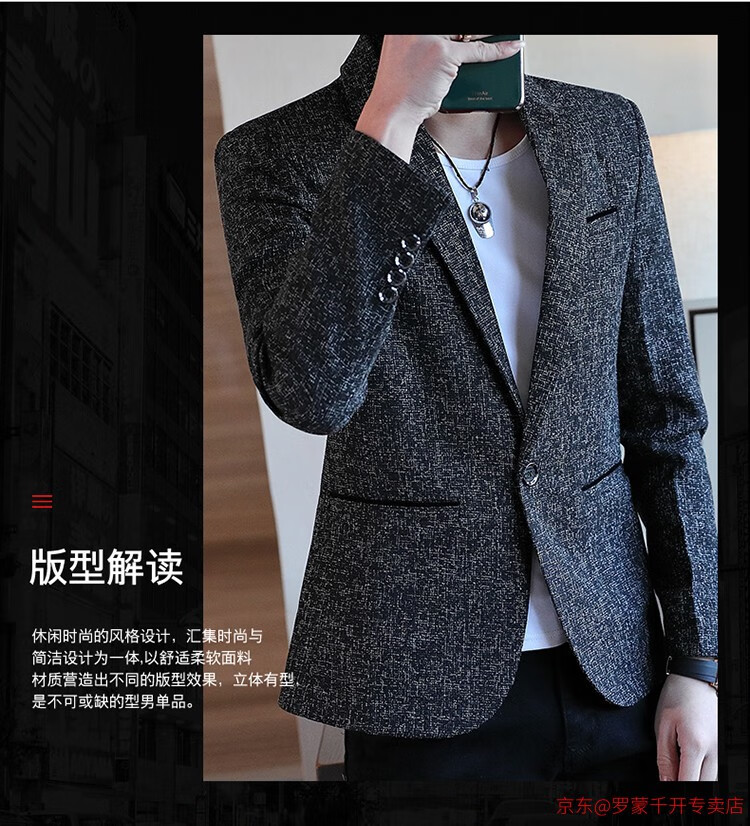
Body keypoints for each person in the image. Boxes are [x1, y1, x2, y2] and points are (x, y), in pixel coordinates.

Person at [214, 35, 718, 781]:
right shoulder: (276, 154)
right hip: (416, 680)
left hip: (618, 664)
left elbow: (664, 416)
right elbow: (310, 393)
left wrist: (698, 660)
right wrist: (389, 120)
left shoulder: (604, 131)